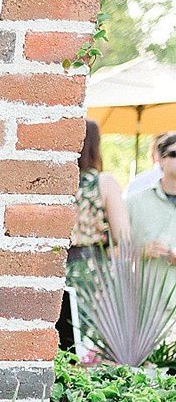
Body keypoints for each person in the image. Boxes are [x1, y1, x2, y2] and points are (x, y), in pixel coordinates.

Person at [64, 121, 130, 352]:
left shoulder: (58, 182)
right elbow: (123, 235)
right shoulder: (103, 183)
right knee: (90, 344)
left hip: (57, 266)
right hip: (93, 270)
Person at [127, 129, 176, 266]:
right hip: (145, 287)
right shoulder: (133, 202)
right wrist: (142, 251)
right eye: (174, 154)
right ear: (160, 160)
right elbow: (111, 251)